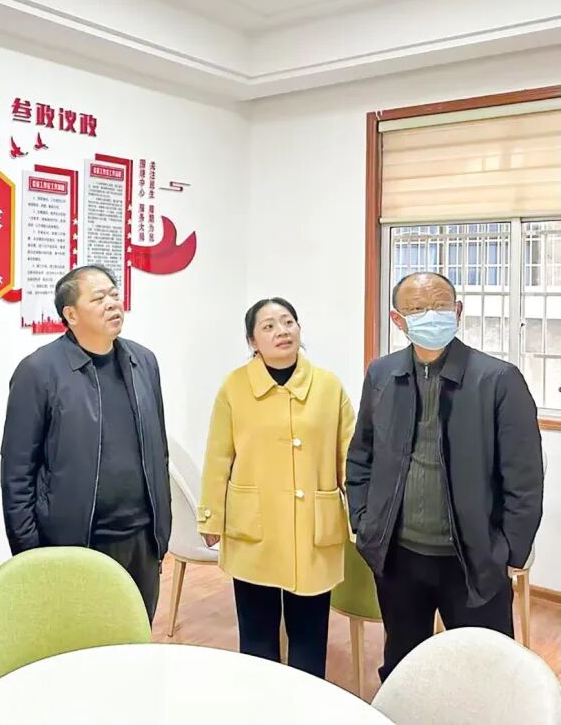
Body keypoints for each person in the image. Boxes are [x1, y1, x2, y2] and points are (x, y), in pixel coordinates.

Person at [347, 271, 543, 680]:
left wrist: (509, 552)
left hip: (473, 559)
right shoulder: (382, 374)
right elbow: (362, 455)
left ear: (457, 311)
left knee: (483, 672)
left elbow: (524, 478)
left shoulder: (497, 379)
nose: (431, 316)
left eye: (440, 306)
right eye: (418, 309)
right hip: (399, 557)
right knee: (405, 667)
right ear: (398, 319)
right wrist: (364, 523)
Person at [1, 264, 171, 621]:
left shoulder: (143, 361)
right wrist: (30, 553)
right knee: (81, 641)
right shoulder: (39, 371)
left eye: (114, 294)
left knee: (136, 637)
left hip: (142, 539)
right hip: (77, 543)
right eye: (98, 298)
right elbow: (17, 472)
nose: (112, 303)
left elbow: (160, 451)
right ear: (71, 314)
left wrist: (162, 530)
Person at [197, 297, 354, 678]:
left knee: (309, 636)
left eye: (288, 322)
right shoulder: (234, 387)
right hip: (255, 529)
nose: (281, 331)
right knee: (257, 638)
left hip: (313, 529)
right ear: (252, 341)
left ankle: (306, 703)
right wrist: (211, 517)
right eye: (268, 326)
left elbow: (350, 456)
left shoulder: (328, 387)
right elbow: (218, 457)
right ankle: (259, 702)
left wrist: (360, 517)